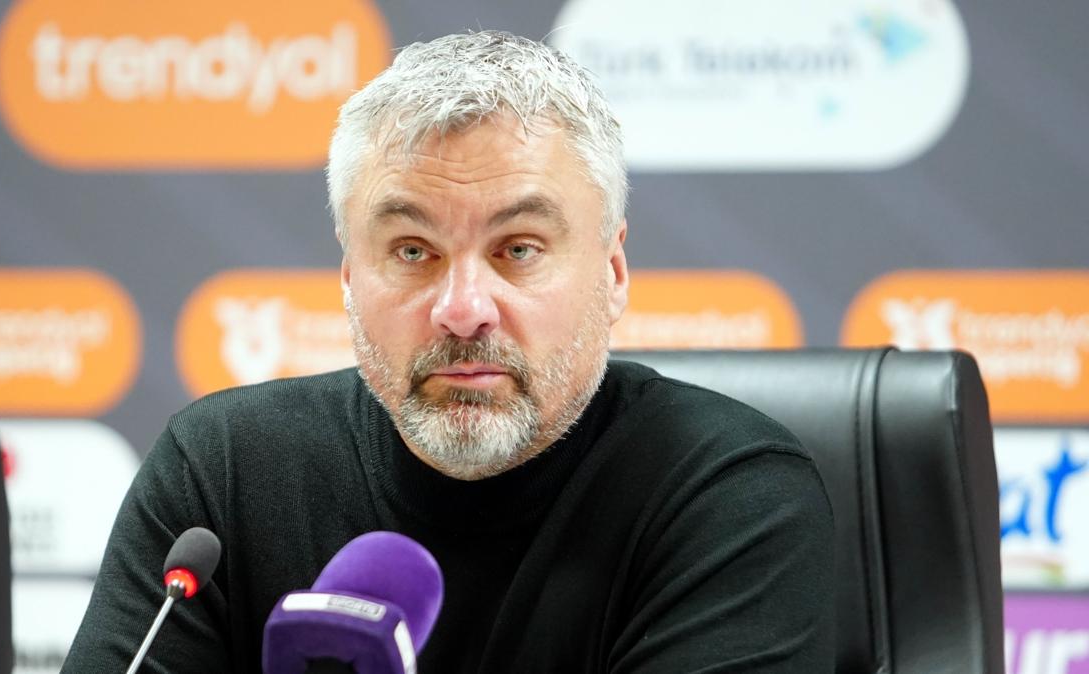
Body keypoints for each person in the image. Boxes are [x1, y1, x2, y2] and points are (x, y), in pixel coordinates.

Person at [63, 30, 834, 672]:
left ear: (613, 273)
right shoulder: (221, 474)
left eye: (518, 249)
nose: (463, 310)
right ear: (348, 279)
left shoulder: (727, 494)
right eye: (412, 251)